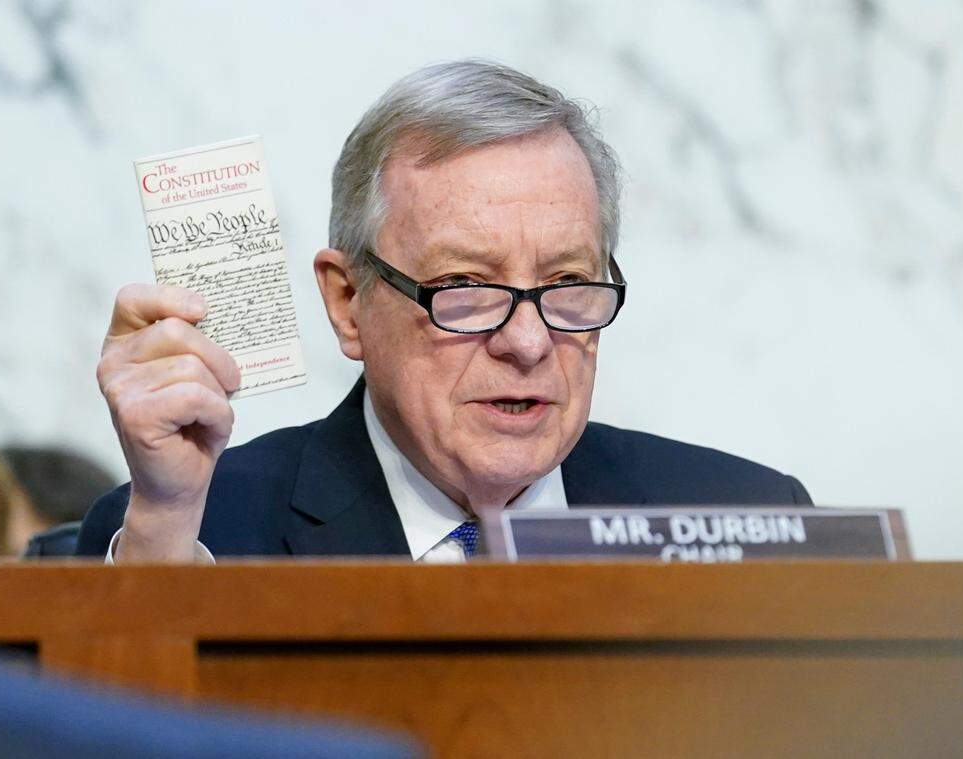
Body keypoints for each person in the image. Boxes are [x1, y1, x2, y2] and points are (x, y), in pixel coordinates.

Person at [77, 60, 811, 563]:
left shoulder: (750, 518)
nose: (528, 342)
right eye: (466, 286)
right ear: (347, 302)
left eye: (566, 283)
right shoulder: (196, 528)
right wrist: (166, 525)